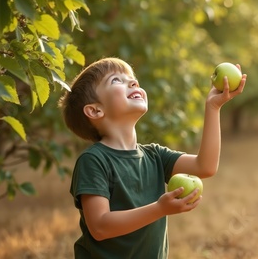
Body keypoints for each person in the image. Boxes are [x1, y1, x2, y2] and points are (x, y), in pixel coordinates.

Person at [59, 57, 247, 258]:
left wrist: (213, 107)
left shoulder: (154, 156)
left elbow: (205, 166)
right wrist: (159, 208)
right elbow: (100, 226)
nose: (133, 82)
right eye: (116, 80)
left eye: (132, 79)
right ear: (95, 110)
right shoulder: (94, 160)